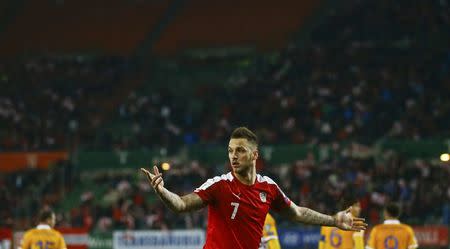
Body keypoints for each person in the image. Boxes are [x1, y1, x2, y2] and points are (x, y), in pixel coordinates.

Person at [141, 127, 367, 249]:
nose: (233, 156)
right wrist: (162, 191)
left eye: (239, 150)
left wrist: (334, 220)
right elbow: (181, 205)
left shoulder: (268, 188)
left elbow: (297, 212)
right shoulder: (220, 185)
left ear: (254, 155)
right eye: (230, 151)